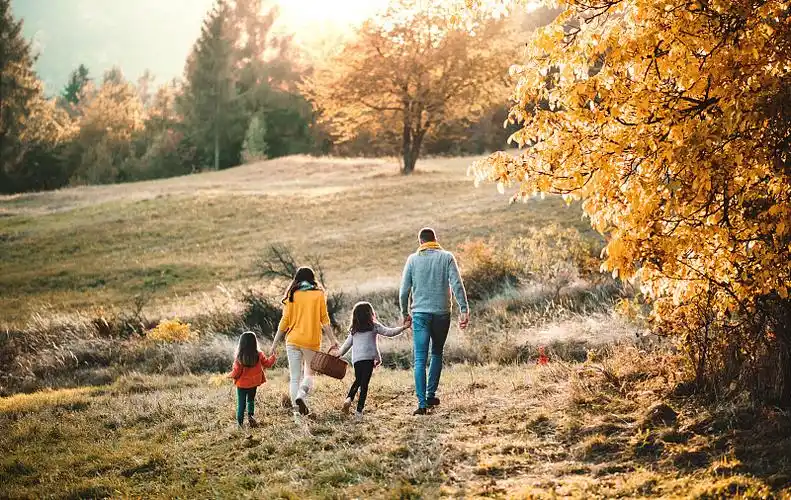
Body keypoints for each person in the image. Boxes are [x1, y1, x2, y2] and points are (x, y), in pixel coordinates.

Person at [399, 227, 470, 415]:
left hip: (420, 314)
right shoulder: (446, 257)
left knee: (420, 359)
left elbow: (404, 290)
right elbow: (457, 284)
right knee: (437, 352)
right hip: (442, 313)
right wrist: (464, 309)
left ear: (420, 242)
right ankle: (431, 394)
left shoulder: (413, 260)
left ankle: (422, 404)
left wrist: (404, 312)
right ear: (435, 240)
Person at [270, 267, 340, 417]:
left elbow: (285, 321)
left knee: (294, 378)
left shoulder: (292, 294)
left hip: (293, 340)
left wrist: (275, 343)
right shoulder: (319, 294)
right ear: (312, 278)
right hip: (311, 342)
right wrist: (333, 341)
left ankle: (297, 416)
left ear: (297, 279)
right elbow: (325, 320)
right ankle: (301, 396)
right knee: (309, 375)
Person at [338, 301, 411, 421]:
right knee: (364, 385)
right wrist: (404, 327)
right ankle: (359, 412)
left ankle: (349, 399)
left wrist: (338, 354)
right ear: (370, 314)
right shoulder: (374, 326)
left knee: (358, 380)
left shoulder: (354, 330)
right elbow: (390, 332)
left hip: (357, 360)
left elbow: (345, 346)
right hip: (368, 360)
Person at [229, 331, 277, 428]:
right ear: (255, 342)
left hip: (242, 385)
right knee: (250, 400)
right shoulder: (259, 355)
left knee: (241, 403)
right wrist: (273, 357)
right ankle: (251, 417)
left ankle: (240, 424)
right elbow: (267, 364)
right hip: (253, 384)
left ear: (241, 343)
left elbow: (236, 372)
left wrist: (229, 375)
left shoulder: (239, 357)